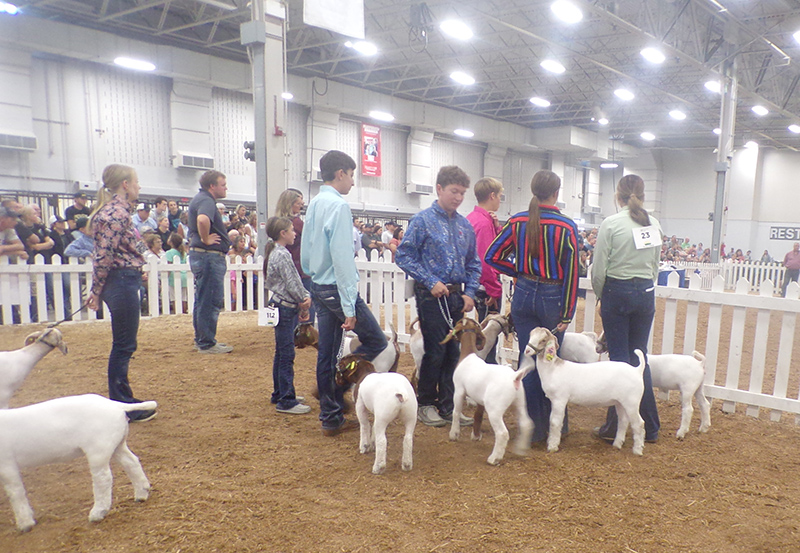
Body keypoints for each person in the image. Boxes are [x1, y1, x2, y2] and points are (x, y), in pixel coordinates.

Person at [485, 170, 579, 443]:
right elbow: (572, 273)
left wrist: (517, 272)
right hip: (552, 295)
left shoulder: (517, 221)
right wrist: (567, 313)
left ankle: (533, 427)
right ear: (556, 192)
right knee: (550, 361)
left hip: (524, 294)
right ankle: (556, 425)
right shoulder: (566, 227)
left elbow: (492, 255)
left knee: (528, 360)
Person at [300, 150, 388, 436]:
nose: (352, 182)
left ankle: (331, 415)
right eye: (351, 175)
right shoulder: (338, 206)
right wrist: (349, 304)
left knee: (326, 352)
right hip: (337, 289)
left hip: (319, 284)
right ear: (340, 174)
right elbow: (342, 257)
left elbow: (307, 250)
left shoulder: (314, 203)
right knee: (376, 340)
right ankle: (338, 384)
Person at [396, 165, 481, 428]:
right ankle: (425, 403)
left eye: (462, 193)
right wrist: (431, 281)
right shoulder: (421, 221)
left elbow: (474, 263)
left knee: (453, 351)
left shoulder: (465, 225)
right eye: (454, 191)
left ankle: (447, 405)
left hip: (456, 298)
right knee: (435, 350)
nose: (458, 197)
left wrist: (470, 293)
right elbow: (404, 255)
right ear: (440, 189)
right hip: (431, 297)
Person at [591, 174, 661, 445]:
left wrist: (600, 296)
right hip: (644, 293)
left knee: (619, 361)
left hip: (616, 293)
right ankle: (651, 426)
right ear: (643, 195)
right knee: (639, 358)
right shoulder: (653, 224)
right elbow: (654, 265)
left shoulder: (611, 224)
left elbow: (599, 269)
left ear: (617, 196)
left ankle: (614, 427)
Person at [85, 164, 155, 423]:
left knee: (125, 342)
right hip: (121, 280)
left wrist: (138, 262)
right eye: (136, 182)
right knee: (124, 343)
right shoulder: (115, 213)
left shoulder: (119, 213)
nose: (139, 187)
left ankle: (122, 399)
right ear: (125, 184)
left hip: (126, 277)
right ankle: (122, 403)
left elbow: (126, 246)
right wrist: (95, 290)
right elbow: (104, 255)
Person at [264, 216, 312, 415]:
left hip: (279, 305)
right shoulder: (283, 255)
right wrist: (304, 298)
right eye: (292, 230)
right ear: (283, 233)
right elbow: (292, 282)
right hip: (285, 307)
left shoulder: (276, 253)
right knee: (287, 355)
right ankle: (286, 399)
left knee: (281, 352)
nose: (295, 234)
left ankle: (280, 392)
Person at [188, 170, 233, 353]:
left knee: (202, 299)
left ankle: (202, 339)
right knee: (210, 300)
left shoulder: (201, 198)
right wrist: (205, 239)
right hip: (209, 256)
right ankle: (206, 343)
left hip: (203, 256)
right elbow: (202, 220)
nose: (226, 188)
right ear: (212, 186)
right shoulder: (206, 200)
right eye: (223, 184)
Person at [466, 177, 504, 364]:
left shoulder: (473, 219)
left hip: (474, 285)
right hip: (485, 287)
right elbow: (485, 259)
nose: (499, 200)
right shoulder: (483, 223)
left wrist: (496, 229)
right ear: (492, 195)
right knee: (488, 338)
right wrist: (494, 290)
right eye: (499, 196)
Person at [276, 188, 313, 322]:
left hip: (286, 269)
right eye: (298, 203)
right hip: (300, 269)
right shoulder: (296, 223)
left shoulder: (278, 222)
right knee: (306, 303)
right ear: (290, 204)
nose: (301, 204)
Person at [164, 232, 188, 313]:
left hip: (174, 277)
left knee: (174, 297)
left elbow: (169, 267)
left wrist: (165, 279)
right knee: (183, 297)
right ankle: (184, 312)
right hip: (184, 276)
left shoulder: (169, 253)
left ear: (171, 242)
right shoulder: (183, 252)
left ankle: (177, 312)